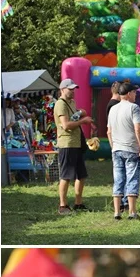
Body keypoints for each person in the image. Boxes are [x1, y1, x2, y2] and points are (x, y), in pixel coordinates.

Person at [54, 79, 95, 215]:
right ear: (62, 89)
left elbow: (74, 118)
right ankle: (63, 206)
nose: (73, 91)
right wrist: (83, 121)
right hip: (67, 144)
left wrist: (81, 114)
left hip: (76, 143)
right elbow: (66, 125)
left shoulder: (72, 103)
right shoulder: (60, 104)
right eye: (70, 89)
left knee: (81, 175)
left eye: (74, 89)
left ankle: (78, 203)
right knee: (66, 176)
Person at [106, 83, 140, 221]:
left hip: (117, 149)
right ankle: (132, 211)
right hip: (131, 148)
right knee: (132, 179)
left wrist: (113, 147)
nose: (136, 95)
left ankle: (117, 212)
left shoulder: (113, 109)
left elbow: (109, 131)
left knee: (118, 179)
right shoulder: (134, 108)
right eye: (134, 92)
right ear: (128, 94)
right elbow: (138, 128)